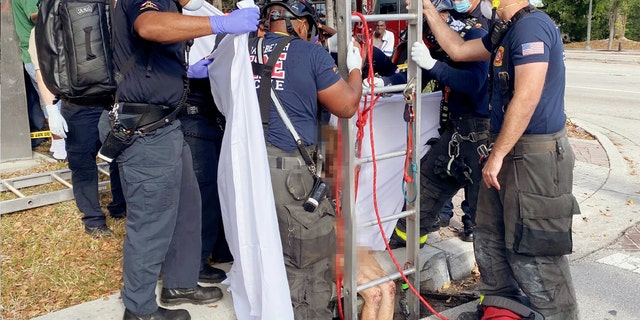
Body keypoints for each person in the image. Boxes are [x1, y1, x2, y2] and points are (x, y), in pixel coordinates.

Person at [410, 0, 580, 318]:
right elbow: (459, 49)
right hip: (506, 147)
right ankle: (501, 310)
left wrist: (497, 154)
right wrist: (428, 11)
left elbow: (527, 95)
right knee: (489, 236)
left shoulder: (531, 26)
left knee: (535, 250)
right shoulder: (506, 29)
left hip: (534, 156)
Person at [111, 0, 259, 318]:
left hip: (167, 125)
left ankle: (180, 282)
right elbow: (149, 27)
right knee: (151, 223)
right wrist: (220, 24)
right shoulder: (151, 4)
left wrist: (190, 71)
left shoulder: (168, 5)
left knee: (187, 208)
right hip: (145, 129)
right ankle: (138, 309)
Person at [250, 0, 374, 318]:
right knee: (309, 261)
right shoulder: (310, 53)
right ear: (302, 25)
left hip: (250, 165)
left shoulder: (245, 48)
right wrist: (356, 68)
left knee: (268, 251)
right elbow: (346, 105)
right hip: (290, 176)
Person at [390, 0, 489, 247]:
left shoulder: (475, 37)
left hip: (481, 136)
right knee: (424, 193)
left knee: (484, 216)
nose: (430, 38)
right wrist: (386, 83)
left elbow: (472, 83)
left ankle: (495, 281)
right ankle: (408, 247)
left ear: (444, 17)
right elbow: (419, 74)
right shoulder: (443, 45)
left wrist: (435, 65)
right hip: (456, 133)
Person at [29, 28, 127, 237]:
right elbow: (42, 70)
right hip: (77, 103)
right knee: (82, 163)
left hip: (112, 98)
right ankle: (93, 219)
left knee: (120, 155)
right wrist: (51, 110)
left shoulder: (105, 11)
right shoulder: (47, 25)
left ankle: (121, 206)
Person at [181, 36, 230, 284]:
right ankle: (196, 262)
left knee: (219, 189)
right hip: (193, 118)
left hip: (210, 119)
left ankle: (220, 248)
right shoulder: (179, 18)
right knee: (204, 194)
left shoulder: (212, 19)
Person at [11, 0, 47, 148]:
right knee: (51, 100)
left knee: (48, 100)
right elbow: (34, 15)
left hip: (35, 52)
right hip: (38, 53)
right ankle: (60, 146)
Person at [27, 28, 67, 161]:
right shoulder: (40, 30)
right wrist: (52, 111)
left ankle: (59, 148)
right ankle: (60, 148)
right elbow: (41, 74)